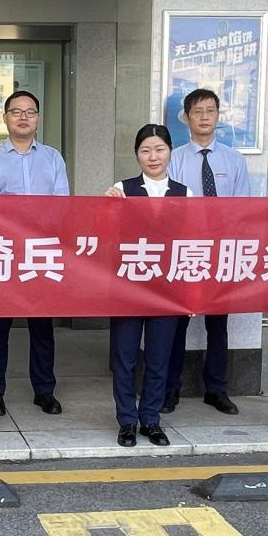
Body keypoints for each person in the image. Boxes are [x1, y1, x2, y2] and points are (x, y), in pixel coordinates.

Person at [104, 124, 194, 447]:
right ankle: (127, 420)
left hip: (167, 290)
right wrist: (106, 207)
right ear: (136, 155)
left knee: (159, 358)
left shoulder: (185, 193)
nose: (153, 157)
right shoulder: (122, 188)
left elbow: (192, 243)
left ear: (170, 152)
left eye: (159, 149)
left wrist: (191, 294)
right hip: (127, 288)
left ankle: (151, 419)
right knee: (125, 357)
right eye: (145, 150)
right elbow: (106, 236)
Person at [0, 90, 68, 418]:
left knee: (42, 327)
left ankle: (44, 390)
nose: (23, 117)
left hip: (41, 251)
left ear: (38, 118)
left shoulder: (53, 158)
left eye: (30, 112)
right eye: (16, 112)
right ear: (5, 118)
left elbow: (62, 204)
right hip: (3, 251)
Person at [165, 88, 251, 416]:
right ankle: (170, 389)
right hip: (185, 251)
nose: (204, 117)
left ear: (218, 116)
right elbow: (170, 208)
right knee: (176, 324)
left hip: (221, 251)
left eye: (210, 110)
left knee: (218, 323)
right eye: (198, 111)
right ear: (186, 118)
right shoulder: (174, 158)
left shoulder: (233, 159)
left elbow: (242, 210)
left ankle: (217, 389)